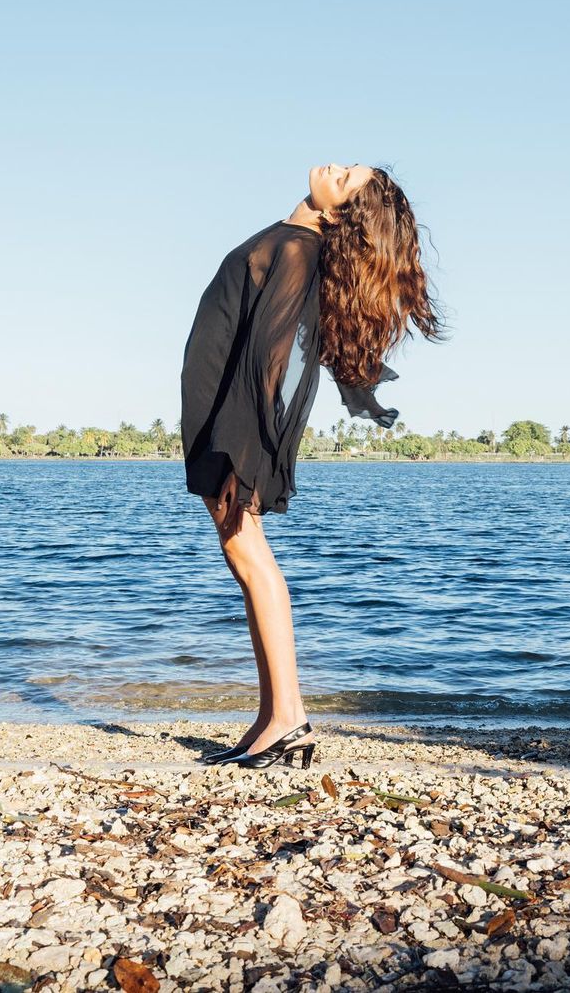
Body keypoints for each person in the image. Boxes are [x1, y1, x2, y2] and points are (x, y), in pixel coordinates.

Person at [180, 163, 446, 769]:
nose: (336, 168)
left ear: (341, 211)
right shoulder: (292, 239)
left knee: (248, 555)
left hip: (238, 421)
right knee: (243, 557)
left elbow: (279, 355)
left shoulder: (299, 248)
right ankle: (270, 716)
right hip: (220, 406)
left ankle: (288, 717)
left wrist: (250, 443)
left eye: (347, 178)